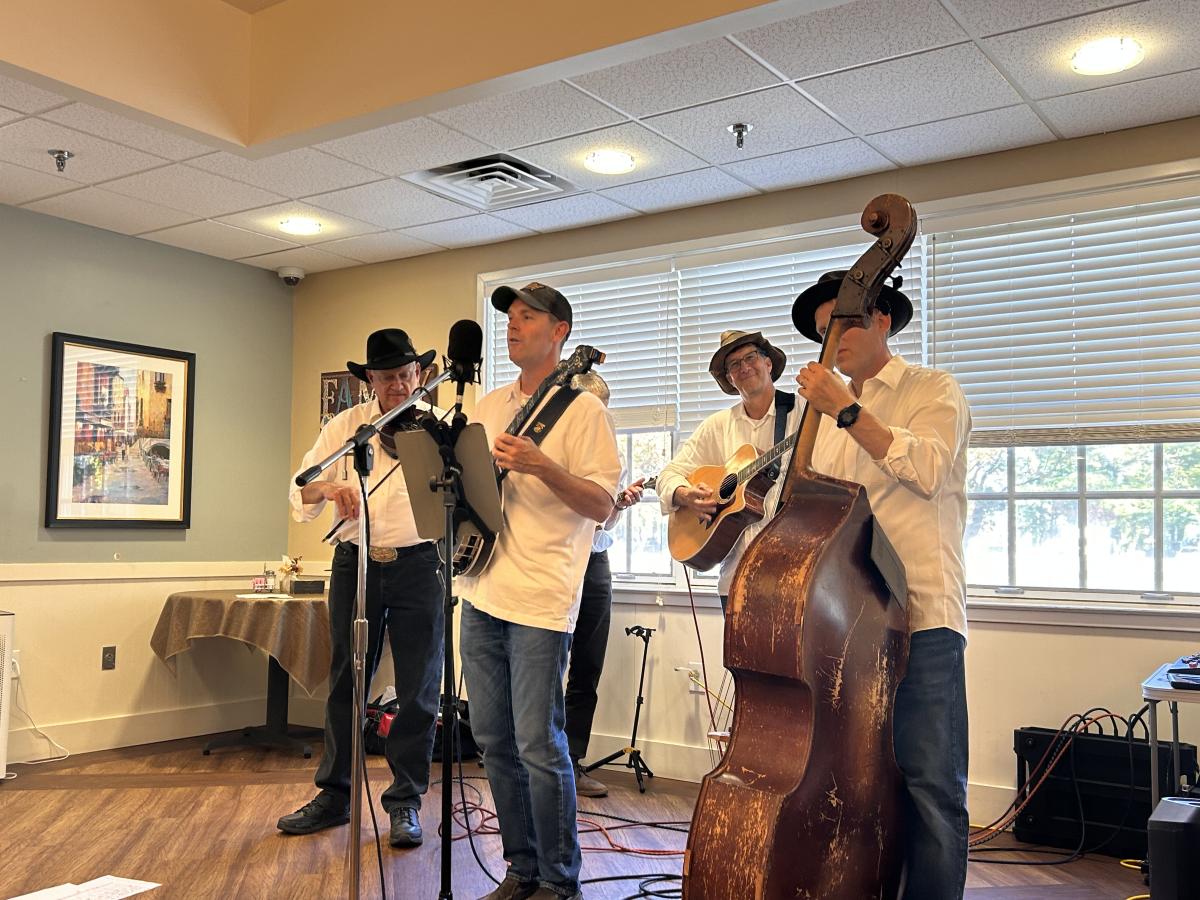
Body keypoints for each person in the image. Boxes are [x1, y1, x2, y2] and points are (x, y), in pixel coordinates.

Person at [791, 270, 972, 900]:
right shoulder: (818, 421)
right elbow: (813, 510)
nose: (832, 341)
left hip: (922, 617)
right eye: (823, 332)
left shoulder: (933, 389)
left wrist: (845, 409)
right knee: (852, 783)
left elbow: (925, 469)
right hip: (847, 625)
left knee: (931, 786)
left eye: (843, 325)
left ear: (883, 320)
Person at [459, 282, 621, 900]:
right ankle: (521, 868)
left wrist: (541, 465)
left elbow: (602, 505)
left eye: (528, 317)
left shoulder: (584, 411)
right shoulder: (488, 405)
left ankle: (559, 879)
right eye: (510, 317)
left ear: (559, 332)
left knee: (538, 743)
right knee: (492, 740)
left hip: (542, 597)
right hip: (482, 588)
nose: (513, 325)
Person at [278, 328, 444, 850]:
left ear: (419, 374)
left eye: (406, 375)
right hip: (356, 561)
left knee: (419, 689)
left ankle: (405, 802)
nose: (399, 386)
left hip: (421, 564)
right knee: (346, 680)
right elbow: (300, 488)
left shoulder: (437, 426)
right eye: (387, 377)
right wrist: (333, 487)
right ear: (369, 378)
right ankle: (335, 795)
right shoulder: (347, 427)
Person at [655, 330, 800, 606]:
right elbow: (668, 476)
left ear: (768, 363)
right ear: (730, 379)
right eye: (734, 364)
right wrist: (685, 495)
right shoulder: (718, 426)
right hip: (735, 581)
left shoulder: (804, 413)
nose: (744, 367)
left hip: (792, 574)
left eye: (751, 357)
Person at [565, 372, 645, 799]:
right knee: (546, 665)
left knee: (587, 665)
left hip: (595, 561)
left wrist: (619, 507)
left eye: (602, 407)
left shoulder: (613, 458)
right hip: (559, 559)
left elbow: (604, 522)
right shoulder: (557, 449)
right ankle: (538, 762)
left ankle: (571, 761)